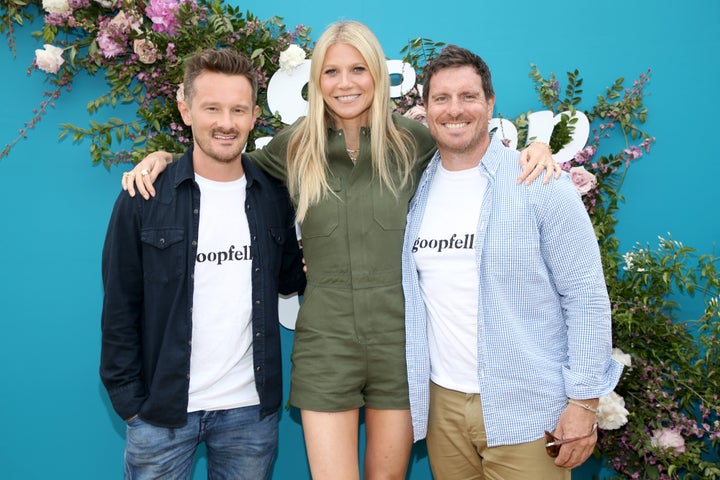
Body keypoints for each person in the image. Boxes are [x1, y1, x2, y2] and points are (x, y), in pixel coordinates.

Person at [121, 22, 558, 480]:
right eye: (331, 71)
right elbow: (223, 161)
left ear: (376, 74)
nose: (345, 83)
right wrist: (165, 159)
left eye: (357, 69)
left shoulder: (414, 139)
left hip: (401, 341)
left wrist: (536, 148)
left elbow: (472, 153)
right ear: (316, 80)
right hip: (326, 341)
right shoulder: (297, 144)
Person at [402, 44, 624, 479]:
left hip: (528, 407)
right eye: (441, 99)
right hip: (442, 407)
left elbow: (586, 298)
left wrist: (583, 403)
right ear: (424, 108)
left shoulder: (540, 182)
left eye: (468, 97)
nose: (454, 110)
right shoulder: (413, 188)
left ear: (490, 103)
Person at [100, 48, 306, 479]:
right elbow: (120, 304)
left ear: (254, 116)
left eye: (237, 109)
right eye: (212, 108)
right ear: (186, 108)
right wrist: (130, 404)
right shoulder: (145, 197)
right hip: (161, 413)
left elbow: (290, 276)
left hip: (250, 412)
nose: (226, 123)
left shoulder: (272, 196)